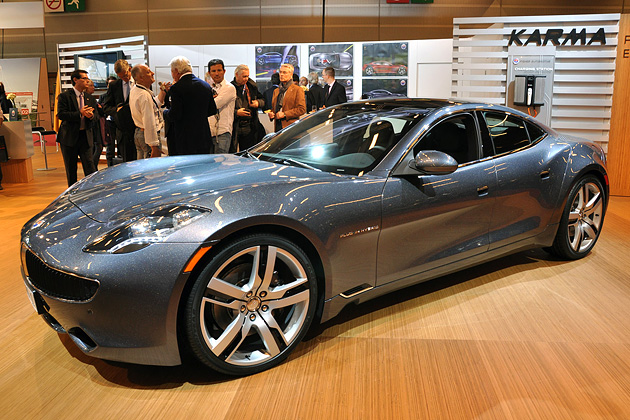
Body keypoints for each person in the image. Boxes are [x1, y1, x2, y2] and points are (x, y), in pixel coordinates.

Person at [163, 56, 217, 155]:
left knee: (186, 169)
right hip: (203, 137)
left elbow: (175, 114)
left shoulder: (176, 88)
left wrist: (166, 113)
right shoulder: (205, 86)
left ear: (177, 71)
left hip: (185, 139)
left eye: (172, 71)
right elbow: (212, 110)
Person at [56, 69, 97, 187]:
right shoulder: (64, 97)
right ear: (75, 80)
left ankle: (91, 190)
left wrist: (91, 116)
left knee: (90, 168)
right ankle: (72, 194)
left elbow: (97, 117)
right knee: (71, 169)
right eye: (84, 78)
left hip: (85, 137)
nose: (87, 81)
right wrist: (80, 113)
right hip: (69, 138)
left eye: (87, 78)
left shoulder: (90, 98)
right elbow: (61, 114)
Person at [102, 59, 136, 164]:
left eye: (125, 75)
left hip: (138, 127)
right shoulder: (114, 86)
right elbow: (106, 107)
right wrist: (117, 111)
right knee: (126, 161)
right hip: (122, 129)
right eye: (121, 77)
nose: (124, 79)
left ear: (129, 69)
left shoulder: (139, 82)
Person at [129, 64, 167, 159]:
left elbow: (154, 105)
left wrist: (163, 92)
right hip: (147, 136)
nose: (153, 73)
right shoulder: (144, 95)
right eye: (148, 72)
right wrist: (154, 146)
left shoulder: (136, 90)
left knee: (142, 167)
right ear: (141, 78)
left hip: (139, 133)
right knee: (152, 170)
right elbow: (149, 121)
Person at [231, 64, 265, 151]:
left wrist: (258, 103)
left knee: (248, 152)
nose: (246, 79)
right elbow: (225, 109)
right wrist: (236, 112)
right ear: (237, 75)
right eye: (244, 76)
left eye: (247, 76)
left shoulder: (251, 87)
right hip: (235, 126)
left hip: (249, 125)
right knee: (233, 152)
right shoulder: (230, 88)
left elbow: (263, 100)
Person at [207, 59, 236, 154]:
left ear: (224, 71)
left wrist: (208, 100)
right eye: (213, 71)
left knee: (220, 163)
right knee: (209, 164)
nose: (216, 73)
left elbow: (214, 105)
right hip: (209, 132)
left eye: (219, 70)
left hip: (223, 132)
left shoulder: (229, 88)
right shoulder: (209, 88)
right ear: (209, 73)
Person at [268, 64, 306, 132]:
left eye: (284, 72)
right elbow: (274, 109)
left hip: (291, 128)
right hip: (278, 127)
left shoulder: (297, 90)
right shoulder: (276, 91)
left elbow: (302, 109)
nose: (281, 74)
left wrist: (285, 114)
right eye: (280, 72)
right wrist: (271, 114)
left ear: (291, 74)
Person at [85, 79, 104, 169]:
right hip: (92, 128)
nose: (94, 87)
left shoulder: (92, 99)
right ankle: (92, 167)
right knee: (97, 147)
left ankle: (93, 167)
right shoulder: (86, 100)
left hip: (97, 126)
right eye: (91, 86)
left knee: (98, 147)